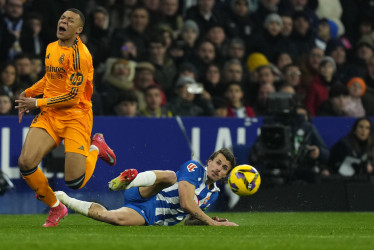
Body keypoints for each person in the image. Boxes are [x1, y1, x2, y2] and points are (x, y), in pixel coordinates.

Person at [14, 9, 116, 227]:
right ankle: (56, 207)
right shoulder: (52, 47)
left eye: (70, 21)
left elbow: (72, 97)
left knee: (75, 181)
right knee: (26, 163)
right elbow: (50, 79)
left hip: (75, 117)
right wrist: (29, 93)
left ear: (78, 30)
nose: (64, 22)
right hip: (51, 114)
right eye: (62, 18)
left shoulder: (81, 56)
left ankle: (96, 147)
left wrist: (37, 102)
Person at [55, 148, 238, 226]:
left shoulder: (213, 194)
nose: (218, 169)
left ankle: (63, 199)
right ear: (209, 161)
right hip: (148, 193)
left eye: (224, 168)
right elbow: (186, 203)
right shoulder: (195, 168)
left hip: (151, 214)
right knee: (170, 176)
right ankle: (127, 182)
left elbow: (188, 219)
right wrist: (212, 223)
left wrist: (207, 221)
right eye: (217, 163)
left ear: (225, 175)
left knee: (111, 217)